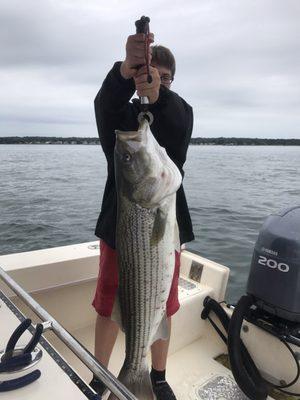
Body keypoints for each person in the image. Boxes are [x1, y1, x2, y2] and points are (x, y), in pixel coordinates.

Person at [90, 32, 194, 400]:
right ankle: (100, 375)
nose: (156, 81)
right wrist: (123, 71)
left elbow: (180, 122)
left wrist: (158, 96)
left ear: (171, 83)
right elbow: (105, 105)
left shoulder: (176, 115)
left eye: (165, 78)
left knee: (163, 305)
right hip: (120, 232)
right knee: (108, 303)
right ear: (134, 79)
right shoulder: (125, 121)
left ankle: (158, 377)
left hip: (164, 232)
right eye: (148, 75)